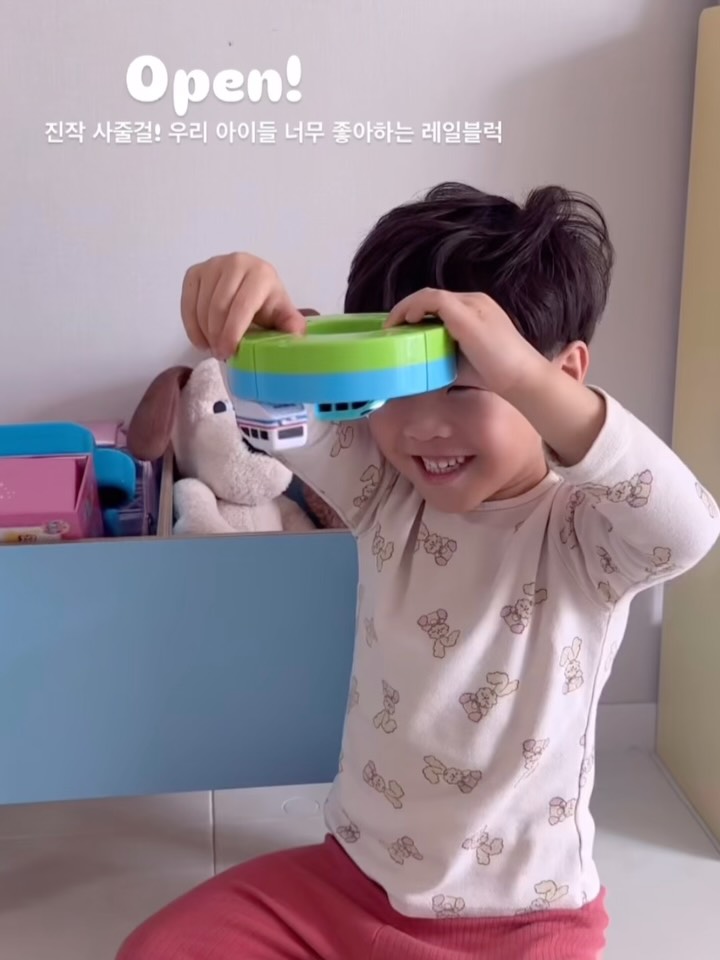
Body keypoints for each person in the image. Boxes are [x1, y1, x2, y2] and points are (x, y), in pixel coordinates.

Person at [118, 182, 720, 959]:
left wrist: (525, 379)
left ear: (561, 376)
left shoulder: (586, 534)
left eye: (469, 388)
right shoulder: (386, 491)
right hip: (349, 887)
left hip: (524, 923)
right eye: (398, 390)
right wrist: (255, 326)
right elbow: (280, 417)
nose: (423, 427)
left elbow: (688, 527)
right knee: (160, 949)